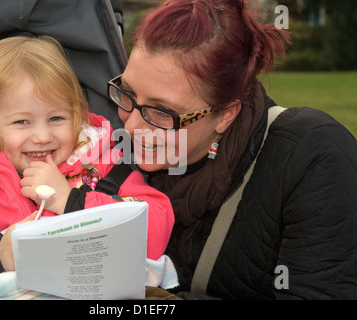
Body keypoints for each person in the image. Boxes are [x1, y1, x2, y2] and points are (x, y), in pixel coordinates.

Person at [108, 0, 357, 299]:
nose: (132, 127)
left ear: (226, 114)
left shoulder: (311, 157)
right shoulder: (105, 153)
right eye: (128, 93)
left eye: (163, 113)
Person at [0, 35, 174, 298]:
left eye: (56, 118)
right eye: (22, 122)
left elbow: (157, 225)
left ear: (77, 115)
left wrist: (74, 201)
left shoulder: (100, 166)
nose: (43, 136)